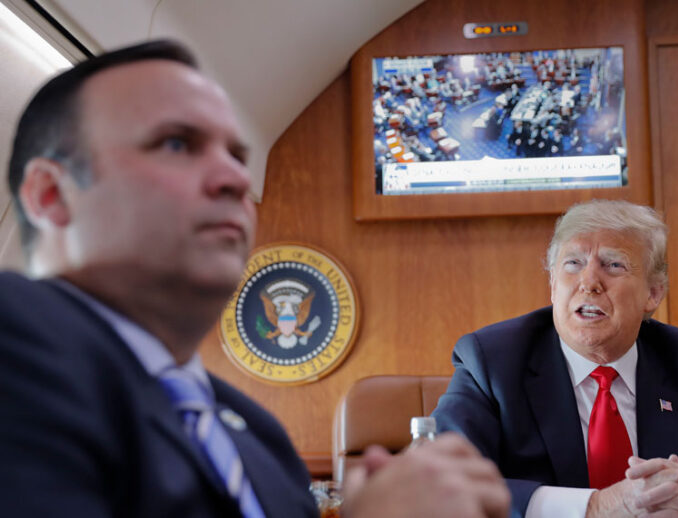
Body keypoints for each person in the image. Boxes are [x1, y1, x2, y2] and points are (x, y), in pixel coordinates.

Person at [0, 40, 510, 518]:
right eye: (177, 143)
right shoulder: (15, 341)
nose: (236, 179)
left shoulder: (256, 432)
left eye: (236, 157)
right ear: (50, 194)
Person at [433, 200, 678, 518]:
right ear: (553, 285)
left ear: (652, 293)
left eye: (613, 264)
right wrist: (595, 507)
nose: (589, 282)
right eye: (573, 264)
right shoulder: (492, 362)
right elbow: (441, 481)